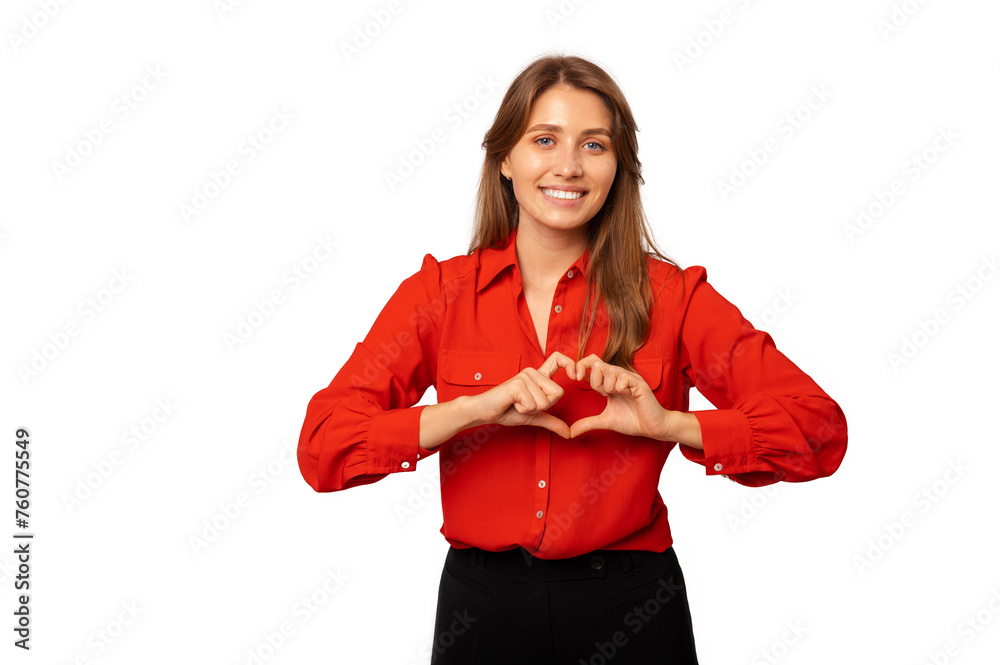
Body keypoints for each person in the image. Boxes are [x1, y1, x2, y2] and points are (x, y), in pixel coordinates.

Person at [296, 53, 848, 664]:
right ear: (505, 157)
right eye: (544, 140)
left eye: (594, 144)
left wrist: (672, 426)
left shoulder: (675, 298)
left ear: (619, 167)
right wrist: (471, 411)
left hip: (633, 606)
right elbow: (323, 447)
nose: (568, 165)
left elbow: (818, 428)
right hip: (482, 613)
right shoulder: (437, 297)